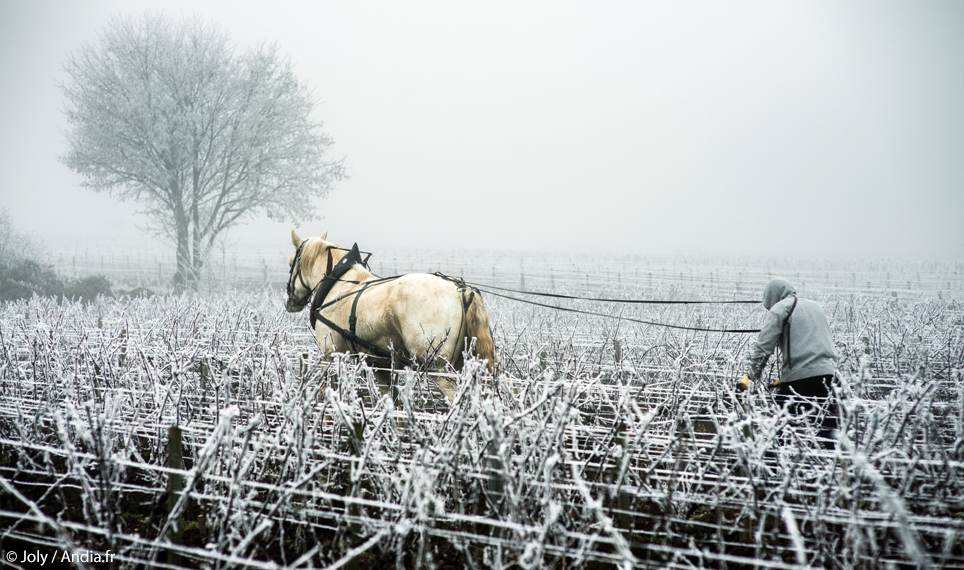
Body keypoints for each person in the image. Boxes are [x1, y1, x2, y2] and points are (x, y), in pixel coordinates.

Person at [738, 278, 838, 448]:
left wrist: (751, 376)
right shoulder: (815, 307)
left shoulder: (779, 309)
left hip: (799, 381)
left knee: (777, 429)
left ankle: (770, 468)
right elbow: (810, 343)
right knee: (830, 432)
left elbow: (764, 346)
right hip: (829, 376)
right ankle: (840, 470)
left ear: (771, 297)